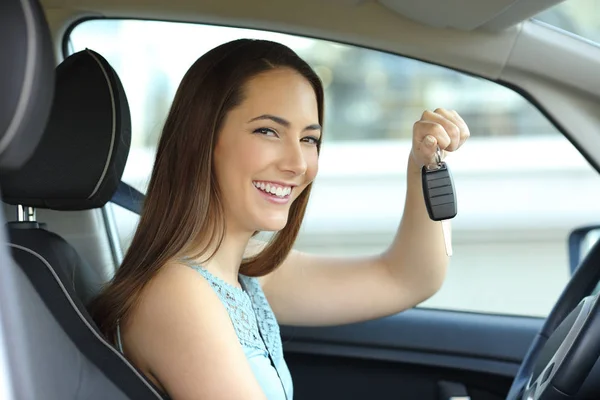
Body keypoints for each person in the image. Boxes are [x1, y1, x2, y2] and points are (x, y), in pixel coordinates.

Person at [89, 38, 470, 400]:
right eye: (268, 131)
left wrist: (423, 164)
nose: (297, 164)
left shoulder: (247, 271)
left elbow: (405, 279)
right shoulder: (177, 293)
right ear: (203, 139)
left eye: (309, 139)